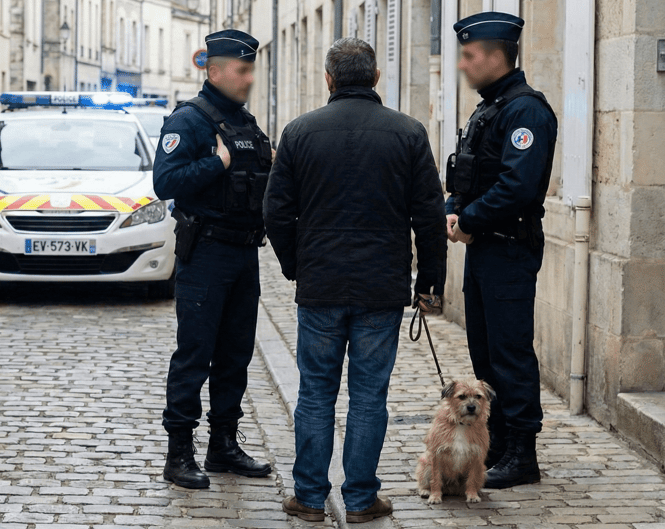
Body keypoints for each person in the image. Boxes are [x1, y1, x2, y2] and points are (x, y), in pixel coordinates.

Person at [265, 38, 447, 523]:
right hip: (380, 287)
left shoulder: (300, 132)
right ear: (376, 78)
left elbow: (276, 211)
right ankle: (362, 499)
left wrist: (293, 265)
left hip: (321, 285)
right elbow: (429, 216)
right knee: (369, 396)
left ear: (329, 78)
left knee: (315, 393)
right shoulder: (408, 133)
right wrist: (429, 281)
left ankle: (308, 496)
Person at [153, 29, 274, 489]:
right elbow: (165, 182)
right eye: (241, 70)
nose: (248, 79)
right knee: (195, 355)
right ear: (215, 69)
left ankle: (223, 445)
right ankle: (178, 452)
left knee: (235, 356)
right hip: (205, 253)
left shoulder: (244, 121)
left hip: (244, 254)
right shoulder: (191, 120)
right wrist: (216, 165)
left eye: (250, 70)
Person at [445, 11, 558, 489]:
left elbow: (516, 185)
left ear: (495, 56)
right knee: (486, 351)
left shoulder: (525, 111)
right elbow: (469, 171)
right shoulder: (490, 108)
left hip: (508, 247)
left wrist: (468, 219)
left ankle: (523, 453)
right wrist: (454, 207)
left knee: (510, 353)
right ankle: (503, 444)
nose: (463, 65)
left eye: (469, 57)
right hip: (484, 247)